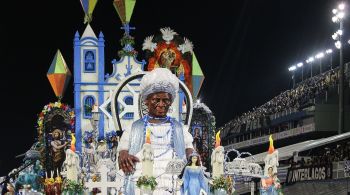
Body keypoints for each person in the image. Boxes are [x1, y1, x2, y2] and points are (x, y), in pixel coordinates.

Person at [117, 68, 194, 195]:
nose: (161, 104)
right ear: (146, 101)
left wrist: (193, 156)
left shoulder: (179, 127)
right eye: (156, 100)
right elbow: (122, 151)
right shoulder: (134, 127)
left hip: (173, 182)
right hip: (140, 182)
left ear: (171, 102)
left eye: (166, 100)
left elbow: (189, 150)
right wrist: (123, 155)